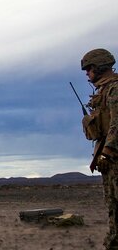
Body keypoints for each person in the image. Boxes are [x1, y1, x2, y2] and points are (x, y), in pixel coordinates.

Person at [80, 48, 118, 249]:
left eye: (89, 69)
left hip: (114, 159)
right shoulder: (104, 91)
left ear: (98, 67)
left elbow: (117, 125)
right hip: (109, 161)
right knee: (113, 207)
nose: (87, 74)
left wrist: (107, 152)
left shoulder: (115, 89)